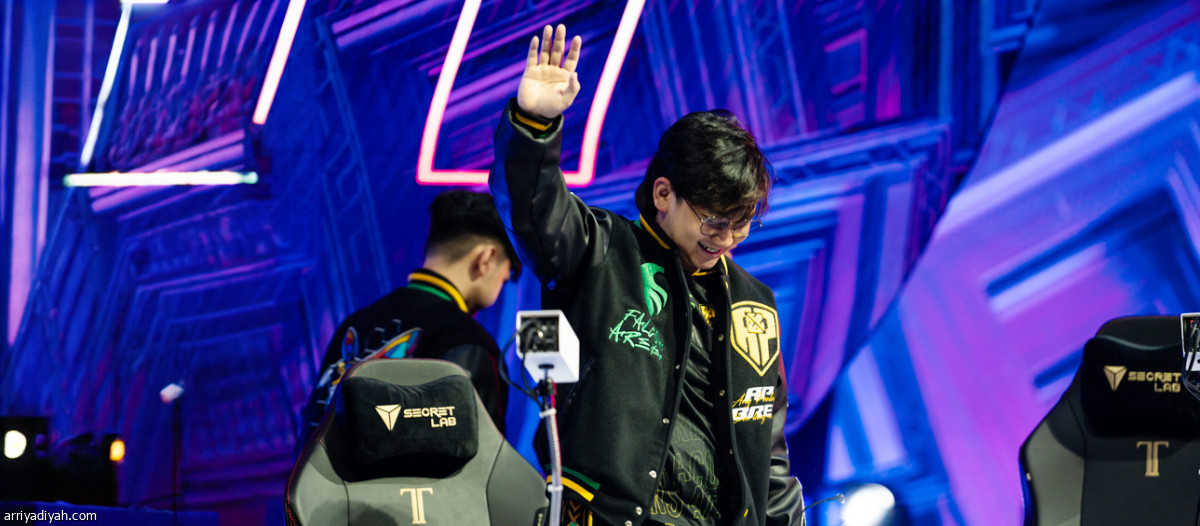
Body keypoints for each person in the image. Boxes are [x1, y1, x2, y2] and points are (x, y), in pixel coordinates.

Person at [490, 24, 805, 526]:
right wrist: (533, 126)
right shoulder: (599, 248)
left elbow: (769, 452)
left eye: (743, 224)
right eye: (714, 222)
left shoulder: (755, 302)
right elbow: (533, 210)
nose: (727, 240)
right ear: (663, 194)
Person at [299, 190, 521, 444]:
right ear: (486, 259)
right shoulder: (466, 340)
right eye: (509, 275)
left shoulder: (353, 326)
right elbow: (483, 458)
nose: (503, 283)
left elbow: (311, 433)